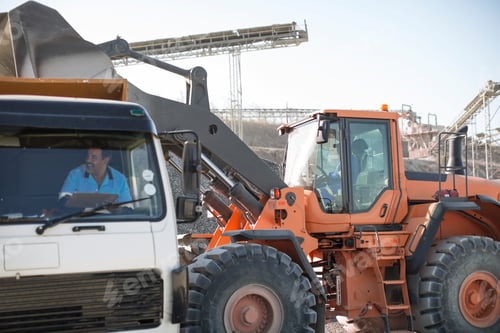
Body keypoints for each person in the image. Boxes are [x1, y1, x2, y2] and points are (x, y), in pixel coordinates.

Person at [59, 147, 132, 204]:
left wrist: (116, 208)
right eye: (88, 156)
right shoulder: (75, 174)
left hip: (111, 222)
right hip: (80, 221)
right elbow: (63, 201)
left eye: (93, 157)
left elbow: (128, 208)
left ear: (106, 160)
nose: (88, 160)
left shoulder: (120, 179)